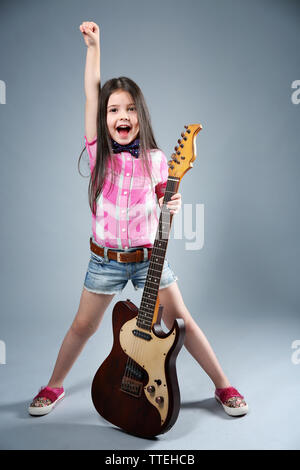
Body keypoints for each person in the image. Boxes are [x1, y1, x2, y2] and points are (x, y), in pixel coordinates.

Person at [28, 21, 248, 418]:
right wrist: (94, 48)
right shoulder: (99, 154)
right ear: (104, 118)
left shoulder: (159, 160)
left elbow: (166, 209)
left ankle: (223, 385)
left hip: (149, 258)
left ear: (140, 115)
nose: (121, 115)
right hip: (105, 259)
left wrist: (174, 208)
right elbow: (90, 95)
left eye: (130, 108)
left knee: (182, 322)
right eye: (114, 110)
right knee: (83, 327)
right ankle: (54, 385)